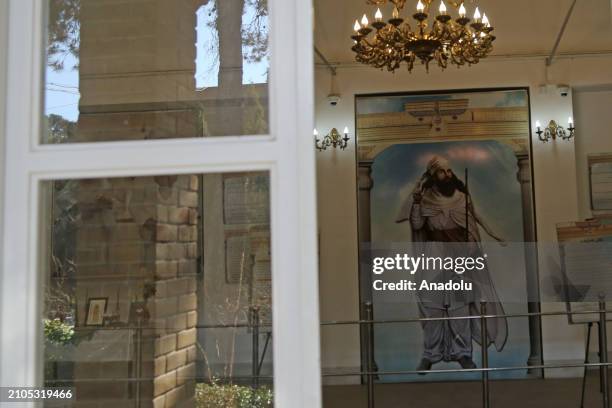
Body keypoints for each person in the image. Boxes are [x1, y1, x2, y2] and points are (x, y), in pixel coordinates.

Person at [396, 155, 508, 372]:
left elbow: (477, 218)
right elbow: (418, 224)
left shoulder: (461, 198)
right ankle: (430, 355)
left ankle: (463, 354)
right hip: (434, 255)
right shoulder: (425, 199)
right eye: (441, 172)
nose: (447, 175)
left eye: (448, 171)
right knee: (434, 309)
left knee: (460, 308)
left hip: (459, 256)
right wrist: (417, 201)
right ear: (432, 175)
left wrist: (494, 235)